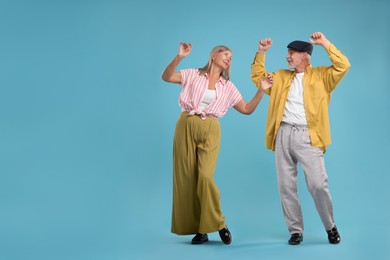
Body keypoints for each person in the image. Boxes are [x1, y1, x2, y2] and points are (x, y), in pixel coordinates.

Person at [162, 42, 273, 245]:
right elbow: (167, 76)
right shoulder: (192, 74)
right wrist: (179, 57)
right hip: (186, 124)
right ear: (214, 55)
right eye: (225, 53)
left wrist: (261, 90)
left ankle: (219, 223)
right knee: (187, 179)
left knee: (205, 177)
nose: (229, 58)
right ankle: (201, 230)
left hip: (211, 128)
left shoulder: (228, 87)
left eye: (231, 56)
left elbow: (247, 109)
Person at [250, 32, 351, 245]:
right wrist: (261, 53)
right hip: (283, 134)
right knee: (286, 186)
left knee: (317, 185)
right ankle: (295, 230)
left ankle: (330, 226)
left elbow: (343, 65)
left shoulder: (323, 76)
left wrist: (324, 43)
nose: (287, 57)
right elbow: (258, 78)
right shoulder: (280, 76)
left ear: (305, 56)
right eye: (288, 53)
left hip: (309, 136)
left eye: (292, 53)